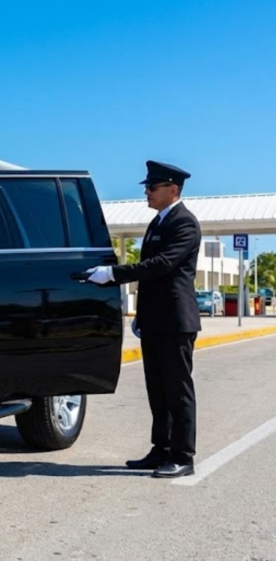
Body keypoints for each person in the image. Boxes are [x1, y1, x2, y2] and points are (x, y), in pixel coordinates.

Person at [85, 160, 202, 479]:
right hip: (155, 319)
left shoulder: (184, 223)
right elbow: (151, 272)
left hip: (176, 321)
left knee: (178, 390)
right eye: (147, 187)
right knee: (157, 389)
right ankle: (161, 449)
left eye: (152, 187)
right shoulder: (159, 222)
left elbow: (161, 265)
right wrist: (142, 315)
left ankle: (183, 455)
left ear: (172, 190)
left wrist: (113, 274)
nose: (147, 192)